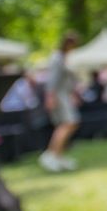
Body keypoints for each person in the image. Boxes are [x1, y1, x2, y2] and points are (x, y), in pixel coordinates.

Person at [41, 31, 81, 172]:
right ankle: (51, 155)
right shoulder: (57, 58)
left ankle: (58, 155)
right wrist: (50, 97)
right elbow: (52, 79)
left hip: (64, 94)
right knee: (67, 123)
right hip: (58, 95)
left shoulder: (65, 58)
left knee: (69, 124)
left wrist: (73, 94)